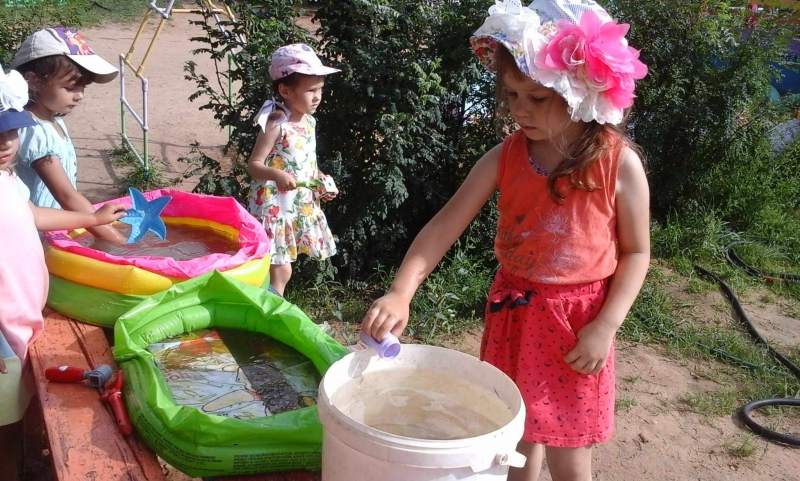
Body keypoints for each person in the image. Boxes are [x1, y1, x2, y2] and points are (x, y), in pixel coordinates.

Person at [361, 1, 650, 480]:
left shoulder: (617, 164)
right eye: (512, 95)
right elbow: (442, 226)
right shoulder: (504, 157)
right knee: (512, 438)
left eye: (537, 98)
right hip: (514, 315)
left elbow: (637, 252)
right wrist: (401, 290)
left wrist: (607, 325)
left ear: (578, 90)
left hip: (578, 326)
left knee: (570, 453)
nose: (520, 109)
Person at [0, 64, 127, 481]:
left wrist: (90, 219)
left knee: (15, 413)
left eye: (12, 130)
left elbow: (32, 214)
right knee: (2, 427)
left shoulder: (6, 180)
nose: (5, 142)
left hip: (21, 318)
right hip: (1, 333)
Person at [11, 27, 126, 243]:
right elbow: (66, 196)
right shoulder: (34, 130)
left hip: (56, 229)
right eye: (71, 87)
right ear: (34, 81)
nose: (80, 96)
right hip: (38, 238)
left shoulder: (53, 120)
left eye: (83, 87)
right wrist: (120, 242)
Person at [246, 43, 340, 296]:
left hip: (298, 203)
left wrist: (319, 180)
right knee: (281, 268)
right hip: (274, 206)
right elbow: (254, 165)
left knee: (280, 265)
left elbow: (305, 160)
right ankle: (272, 310)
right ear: (285, 90)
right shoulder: (277, 122)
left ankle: (263, 303)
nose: (318, 96)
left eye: (320, 89)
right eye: (311, 90)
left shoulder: (309, 121)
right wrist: (276, 174)